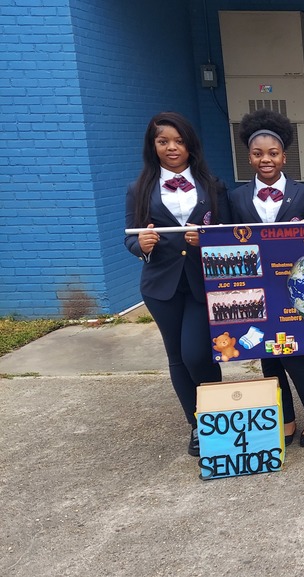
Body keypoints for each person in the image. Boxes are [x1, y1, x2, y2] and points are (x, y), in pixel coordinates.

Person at [123, 112, 225, 456]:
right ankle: (197, 424)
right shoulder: (139, 189)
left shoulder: (212, 184)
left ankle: (218, 414)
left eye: (178, 141)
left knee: (197, 353)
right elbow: (130, 237)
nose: (171, 147)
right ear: (152, 146)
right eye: (163, 141)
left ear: (190, 144)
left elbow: (227, 234)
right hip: (160, 286)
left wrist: (207, 241)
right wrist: (142, 246)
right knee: (177, 358)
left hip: (202, 282)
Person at [226, 108, 304, 447]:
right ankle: (285, 417)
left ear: (284, 157)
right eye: (258, 154)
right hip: (255, 287)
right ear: (249, 158)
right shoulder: (236, 197)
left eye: (272, 153)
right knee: (267, 356)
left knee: (293, 352)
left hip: (294, 287)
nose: (265, 160)